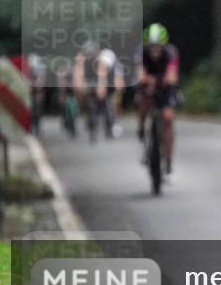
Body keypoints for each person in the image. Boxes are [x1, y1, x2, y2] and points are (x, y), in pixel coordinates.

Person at [135, 24, 180, 176]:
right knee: (143, 101)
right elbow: (140, 75)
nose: (154, 50)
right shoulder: (141, 54)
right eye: (151, 47)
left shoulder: (171, 53)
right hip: (148, 86)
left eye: (157, 47)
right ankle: (141, 128)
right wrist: (148, 81)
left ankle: (168, 157)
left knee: (168, 118)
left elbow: (172, 77)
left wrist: (156, 80)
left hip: (165, 88)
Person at [73, 41, 126, 142]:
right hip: (92, 79)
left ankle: (111, 123)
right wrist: (80, 89)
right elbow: (78, 76)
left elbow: (102, 75)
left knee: (109, 100)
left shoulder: (103, 58)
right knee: (85, 96)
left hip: (109, 78)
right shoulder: (80, 58)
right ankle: (90, 121)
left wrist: (101, 88)